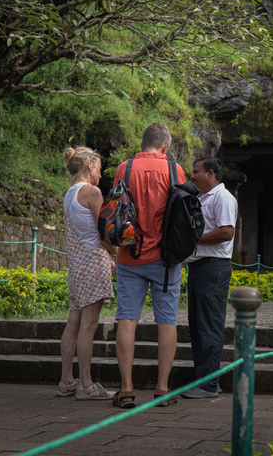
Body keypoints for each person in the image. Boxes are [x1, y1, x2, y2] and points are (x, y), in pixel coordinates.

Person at [112, 123, 186, 408]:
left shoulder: (124, 168)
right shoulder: (173, 170)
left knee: (127, 319)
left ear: (142, 143)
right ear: (165, 146)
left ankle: (127, 390)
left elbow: (116, 208)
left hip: (129, 256)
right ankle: (162, 388)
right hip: (165, 259)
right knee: (166, 321)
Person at [58, 146, 116, 400]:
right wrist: (116, 253)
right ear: (89, 165)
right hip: (93, 264)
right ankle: (86, 385)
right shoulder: (92, 192)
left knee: (74, 322)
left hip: (77, 266)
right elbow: (103, 233)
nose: (100, 175)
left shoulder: (69, 194)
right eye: (99, 169)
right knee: (89, 325)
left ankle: (66, 380)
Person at [181, 156, 238, 399]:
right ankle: (203, 379)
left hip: (213, 268)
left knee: (209, 326)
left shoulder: (223, 197)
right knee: (198, 326)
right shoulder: (204, 197)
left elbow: (227, 232)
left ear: (211, 174)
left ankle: (209, 384)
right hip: (199, 267)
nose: (192, 176)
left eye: (196, 172)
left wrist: (193, 238)